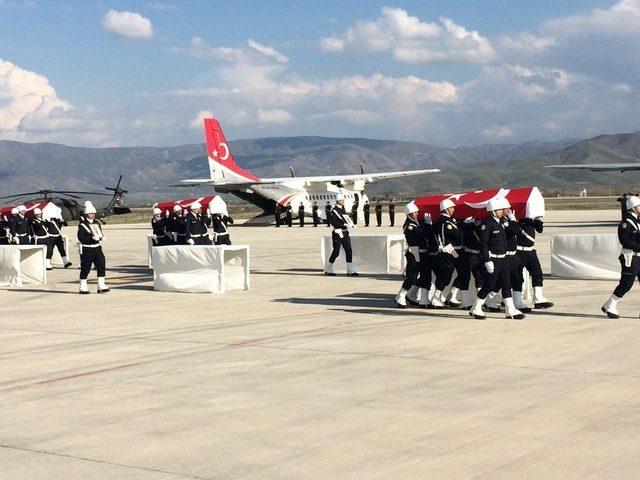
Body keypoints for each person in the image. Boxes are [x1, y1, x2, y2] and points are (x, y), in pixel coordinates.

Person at [468, 198, 525, 320]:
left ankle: (510, 310)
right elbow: (483, 243)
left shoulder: (500, 222)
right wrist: (487, 260)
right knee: (489, 285)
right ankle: (477, 307)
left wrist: (512, 219)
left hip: (503, 259)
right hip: (493, 259)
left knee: (506, 284)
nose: (501, 212)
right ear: (493, 211)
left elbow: (514, 231)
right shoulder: (487, 223)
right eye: (499, 210)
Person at [602, 195, 640, 318]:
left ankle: (609, 305)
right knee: (626, 284)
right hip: (630, 257)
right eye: (639, 206)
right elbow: (625, 241)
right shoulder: (625, 223)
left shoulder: (637, 221)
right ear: (633, 208)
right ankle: (610, 304)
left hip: (638, 257)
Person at [514, 214, 553, 310]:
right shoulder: (516, 218)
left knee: (537, 273)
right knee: (517, 277)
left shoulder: (530, 219)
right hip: (519, 251)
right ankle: (517, 302)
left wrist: (537, 219)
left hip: (530, 250)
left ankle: (538, 298)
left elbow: (540, 229)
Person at [395, 202, 427, 308]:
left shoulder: (416, 223)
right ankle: (400, 295)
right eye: (414, 212)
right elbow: (419, 235)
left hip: (420, 252)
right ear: (409, 214)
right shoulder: (409, 226)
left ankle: (411, 295)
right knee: (412, 276)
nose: (417, 213)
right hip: (413, 253)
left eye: (417, 212)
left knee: (423, 276)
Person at [432, 199, 463, 308]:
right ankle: (436, 298)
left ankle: (452, 296)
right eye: (451, 208)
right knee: (445, 277)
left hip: (456, 251)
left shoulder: (450, 220)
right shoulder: (444, 222)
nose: (453, 209)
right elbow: (455, 235)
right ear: (445, 209)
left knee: (463, 273)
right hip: (449, 251)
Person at [77, 202, 109, 294]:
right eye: (91, 213)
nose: (93, 215)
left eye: (94, 213)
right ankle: (83, 287)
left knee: (101, 265)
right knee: (86, 268)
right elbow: (81, 237)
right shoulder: (82, 225)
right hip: (87, 248)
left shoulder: (96, 223)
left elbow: (99, 233)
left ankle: (101, 285)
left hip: (97, 248)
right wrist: (91, 238)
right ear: (87, 214)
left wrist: (101, 237)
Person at [324, 193, 358, 276]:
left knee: (349, 250)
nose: (343, 201)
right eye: (341, 200)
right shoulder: (334, 211)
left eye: (343, 200)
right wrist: (344, 225)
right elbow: (334, 223)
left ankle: (350, 270)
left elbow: (345, 219)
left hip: (345, 232)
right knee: (336, 251)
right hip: (337, 233)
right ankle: (328, 268)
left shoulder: (343, 209)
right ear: (338, 201)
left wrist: (351, 224)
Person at [456, 216, 484, 310]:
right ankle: (464, 301)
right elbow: (459, 235)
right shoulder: (466, 226)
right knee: (464, 277)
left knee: (480, 277)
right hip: (468, 254)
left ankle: (481, 299)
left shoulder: (483, 225)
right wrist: (465, 223)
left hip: (479, 256)